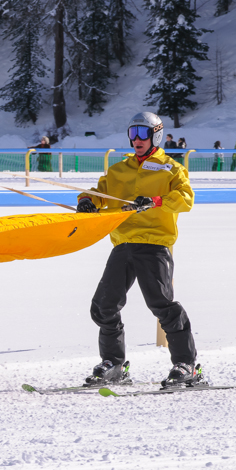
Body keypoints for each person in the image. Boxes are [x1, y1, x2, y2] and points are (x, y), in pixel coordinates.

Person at [76, 111, 198, 387]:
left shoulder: (170, 168)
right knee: (103, 306)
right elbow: (99, 193)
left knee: (162, 305)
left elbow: (185, 199)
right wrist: (87, 201)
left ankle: (186, 365)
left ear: (155, 134)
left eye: (142, 133)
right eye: (132, 133)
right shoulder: (120, 169)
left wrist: (154, 201)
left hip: (154, 244)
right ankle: (114, 364)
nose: (136, 140)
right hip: (124, 244)